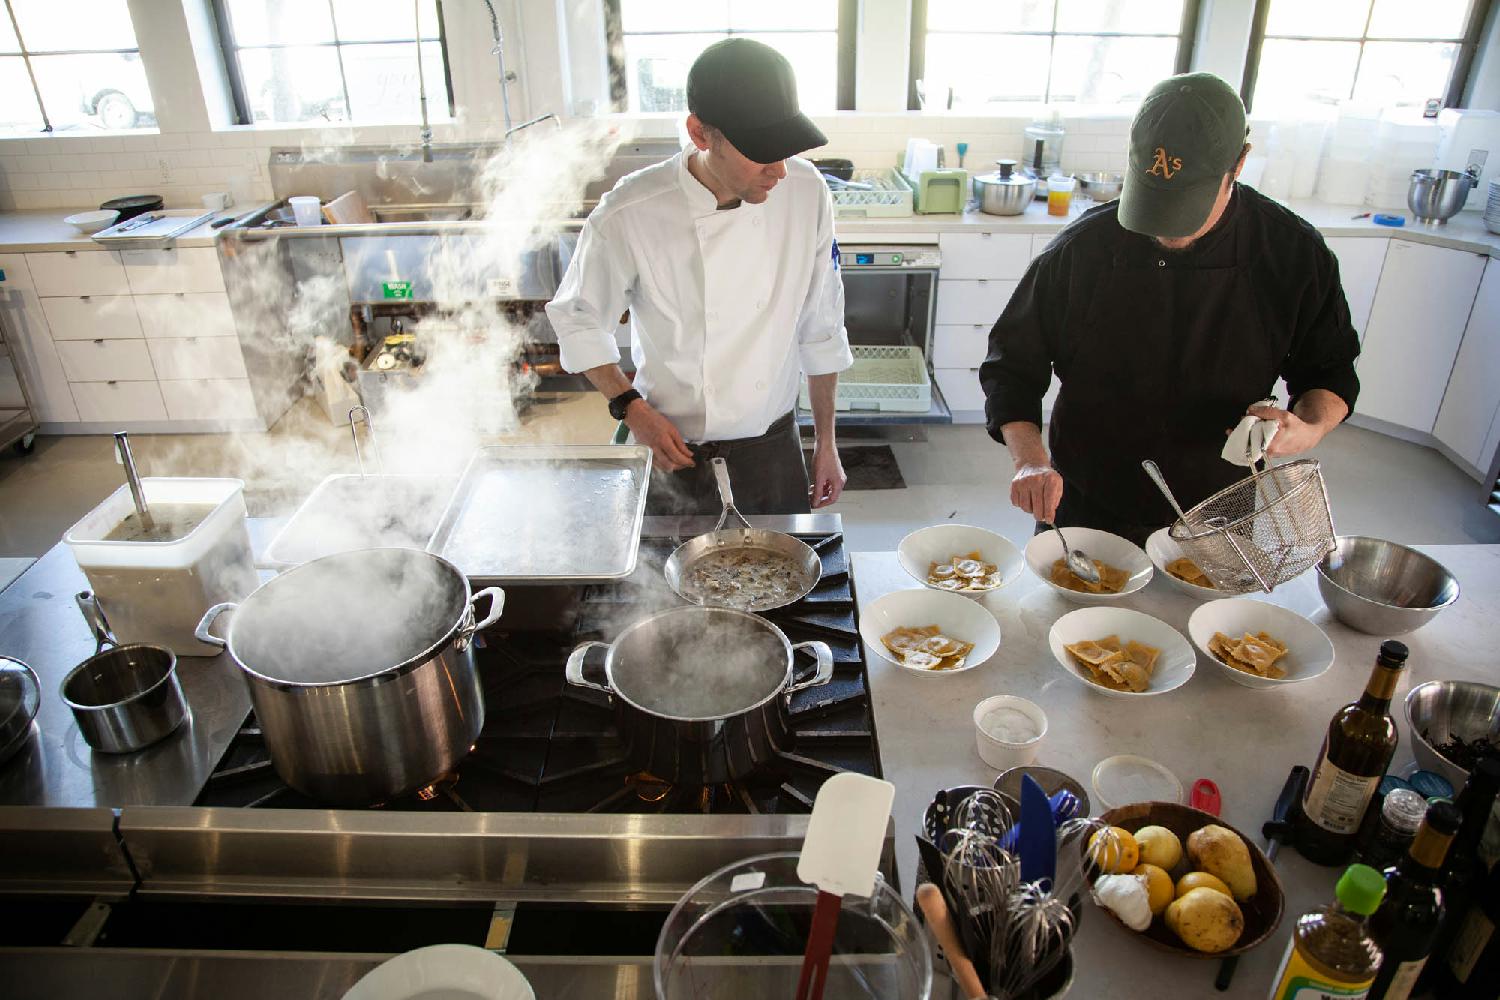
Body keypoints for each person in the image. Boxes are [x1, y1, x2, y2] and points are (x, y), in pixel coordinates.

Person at [979, 72, 1360, 546]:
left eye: (1187, 205)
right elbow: (1012, 367)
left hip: (1220, 506)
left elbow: (1329, 369)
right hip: (1088, 498)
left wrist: (1308, 427)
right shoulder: (1080, 252)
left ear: (1239, 164)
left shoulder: (1293, 253)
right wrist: (1031, 460)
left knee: (1201, 622)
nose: (1167, 228)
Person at [546, 38, 852, 516]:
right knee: (662, 585)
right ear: (701, 133)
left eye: (787, 148)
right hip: (668, 444)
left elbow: (822, 325)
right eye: (760, 151)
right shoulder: (631, 210)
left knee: (781, 585)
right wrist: (629, 406)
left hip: (771, 446)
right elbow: (577, 317)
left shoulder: (808, 193)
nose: (778, 169)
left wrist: (827, 443)